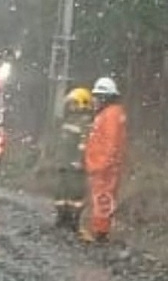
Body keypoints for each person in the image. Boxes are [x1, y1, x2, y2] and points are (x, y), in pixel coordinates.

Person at [81, 76, 127, 243]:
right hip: (103, 165)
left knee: (103, 198)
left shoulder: (111, 115)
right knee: (102, 197)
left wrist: (101, 164)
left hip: (104, 167)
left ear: (105, 97)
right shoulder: (110, 114)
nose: (95, 100)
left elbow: (110, 143)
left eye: (98, 96)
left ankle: (100, 232)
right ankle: (99, 229)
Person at [54, 87, 94, 233]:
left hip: (75, 166)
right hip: (64, 164)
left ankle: (73, 220)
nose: (70, 106)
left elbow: (84, 144)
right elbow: (61, 143)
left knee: (75, 193)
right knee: (61, 191)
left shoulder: (85, 122)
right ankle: (61, 217)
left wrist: (79, 160)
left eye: (73, 103)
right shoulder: (68, 120)